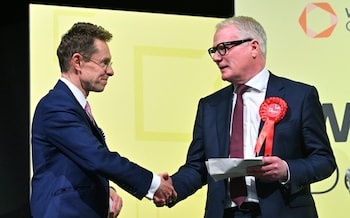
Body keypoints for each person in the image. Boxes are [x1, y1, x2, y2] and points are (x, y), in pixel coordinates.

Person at [155, 16, 337, 218]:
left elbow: (324, 160)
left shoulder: (299, 96)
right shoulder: (209, 105)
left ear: (253, 47)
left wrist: (286, 170)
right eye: (214, 51)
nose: (216, 57)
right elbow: (198, 167)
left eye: (224, 48)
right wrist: (171, 187)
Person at [30, 22, 177, 218]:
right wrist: (153, 184)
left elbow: (78, 164)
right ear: (78, 62)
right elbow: (97, 157)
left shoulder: (70, 105)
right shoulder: (56, 106)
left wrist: (106, 190)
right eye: (104, 63)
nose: (110, 71)